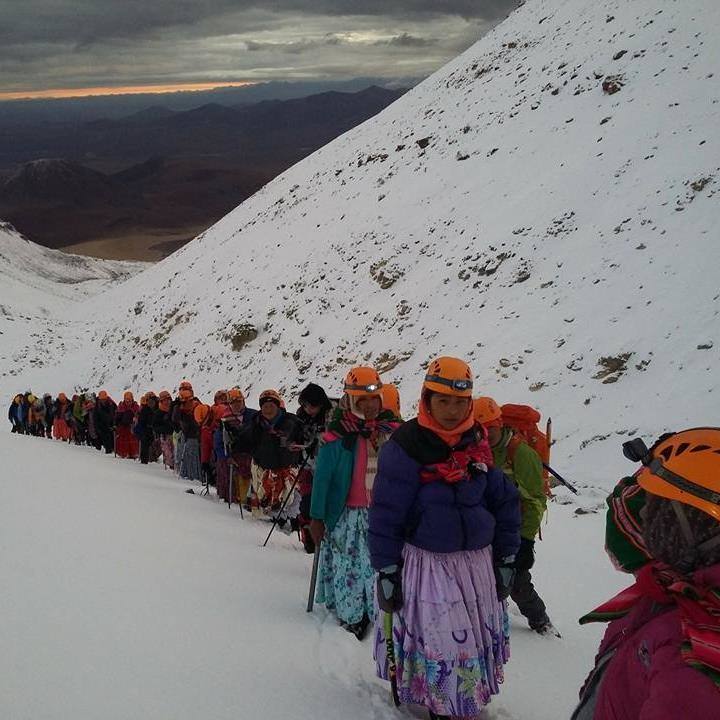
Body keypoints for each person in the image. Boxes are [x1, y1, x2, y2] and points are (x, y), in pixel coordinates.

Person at [369, 358, 521, 719]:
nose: (452, 411)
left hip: (477, 568)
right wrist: (387, 568)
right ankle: (444, 705)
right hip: (430, 568)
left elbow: (503, 500)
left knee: (470, 639)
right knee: (447, 642)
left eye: (460, 402)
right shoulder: (406, 447)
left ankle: (461, 699)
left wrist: (507, 557)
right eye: (443, 401)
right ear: (427, 399)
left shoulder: (475, 443)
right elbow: (386, 513)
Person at [573, 428, 720, 720]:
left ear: (693, 528)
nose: (643, 516)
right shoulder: (668, 587)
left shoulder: (690, 665)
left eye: (656, 507)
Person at [310, 368, 401, 639]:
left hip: (382, 514)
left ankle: (378, 611)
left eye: (374, 399)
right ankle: (353, 615)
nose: (370, 405)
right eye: (362, 400)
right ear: (350, 400)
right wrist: (316, 517)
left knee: (376, 567)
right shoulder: (337, 437)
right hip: (347, 515)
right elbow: (322, 481)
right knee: (349, 567)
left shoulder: (390, 432)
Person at [474, 396, 556, 636]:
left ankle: (540, 621)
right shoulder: (478, 449)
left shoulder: (521, 454)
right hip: (486, 526)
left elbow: (535, 501)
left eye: (491, 428)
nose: (486, 435)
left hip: (515, 527)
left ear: (500, 424)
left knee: (517, 579)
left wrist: (526, 540)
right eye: (481, 430)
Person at [230, 389, 302, 519]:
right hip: (262, 471)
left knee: (288, 501)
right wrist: (233, 442)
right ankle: (266, 521)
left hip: (287, 470)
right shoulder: (255, 423)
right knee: (264, 501)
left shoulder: (292, 421)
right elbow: (243, 441)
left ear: (278, 405)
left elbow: (304, 440)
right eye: (265, 405)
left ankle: (288, 522)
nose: (268, 408)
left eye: (271, 405)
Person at [295, 382, 335, 553]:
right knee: (307, 504)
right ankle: (308, 538)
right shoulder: (301, 416)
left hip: (328, 469)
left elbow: (334, 440)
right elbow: (298, 435)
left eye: (312, 406)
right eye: (305, 405)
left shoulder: (333, 416)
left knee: (323, 505)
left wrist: (318, 442)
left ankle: (324, 541)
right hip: (308, 466)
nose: (308, 409)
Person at [215, 388, 256, 505]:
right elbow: (219, 442)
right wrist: (226, 457)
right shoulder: (224, 420)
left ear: (243, 401)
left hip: (251, 456)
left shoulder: (253, 416)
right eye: (233, 402)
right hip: (233, 458)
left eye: (239, 401)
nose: (236, 405)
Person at [172, 381, 202, 481]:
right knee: (184, 456)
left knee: (193, 457)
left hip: (194, 436)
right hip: (184, 435)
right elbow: (175, 420)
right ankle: (188, 475)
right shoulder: (178, 406)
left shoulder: (196, 404)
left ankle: (194, 477)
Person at [153, 390, 175, 469]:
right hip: (165, 436)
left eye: (168, 399)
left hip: (174, 434)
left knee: (175, 452)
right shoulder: (158, 413)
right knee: (168, 453)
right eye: (165, 400)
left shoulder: (173, 409)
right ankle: (171, 467)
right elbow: (155, 427)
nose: (167, 402)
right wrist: (164, 429)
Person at [115, 391, 140, 459]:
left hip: (132, 427)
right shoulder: (121, 406)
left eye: (129, 400)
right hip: (123, 427)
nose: (128, 401)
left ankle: (134, 453)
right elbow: (117, 418)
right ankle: (124, 453)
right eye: (127, 399)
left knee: (133, 440)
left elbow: (139, 415)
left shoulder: (136, 406)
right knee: (124, 440)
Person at [138, 392, 159, 464]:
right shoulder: (145, 409)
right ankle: (147, 460)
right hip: (147, 430)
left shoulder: (146, 409)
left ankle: (149, 460)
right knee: (146, 445)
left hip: (152, 430)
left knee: (151, 445)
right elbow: (141, 421)